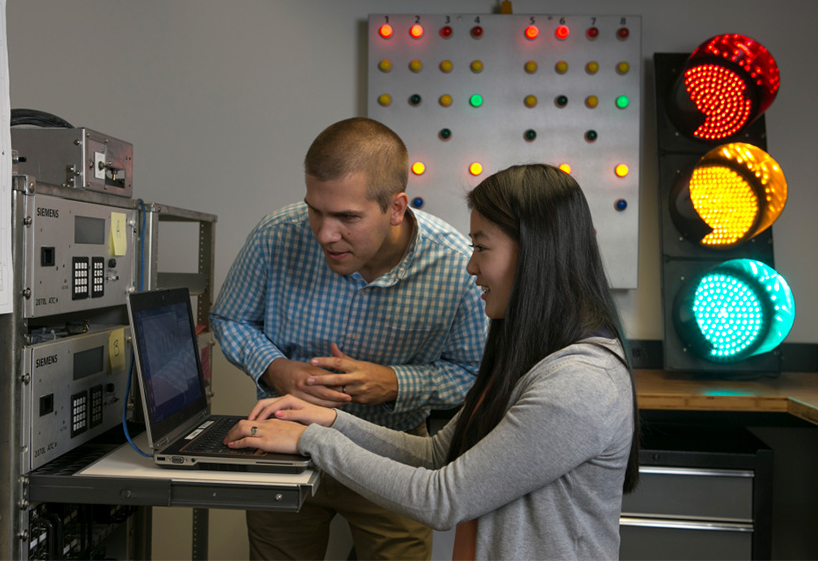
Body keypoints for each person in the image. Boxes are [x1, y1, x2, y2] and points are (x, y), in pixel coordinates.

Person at [225, 163, 641, 560]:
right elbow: (437, 454)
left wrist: (308, 440)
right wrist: (327, 420)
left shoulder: (579, 383)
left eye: (481, 247)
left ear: (535, 254)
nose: (470, 264)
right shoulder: (529, 356)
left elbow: (443, 498)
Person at [209, 117, 488, 560]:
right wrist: (278, 370)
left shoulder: (457, 266)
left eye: (346, 218)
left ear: (396, 208)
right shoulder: (277, 235)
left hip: (394, 459)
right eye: (315, 210)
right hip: (284, 447)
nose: (324, 233)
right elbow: (228, 318)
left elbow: (473, 372)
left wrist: (394, 384)